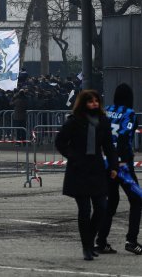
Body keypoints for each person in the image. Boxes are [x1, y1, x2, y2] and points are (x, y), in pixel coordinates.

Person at [55, 89, 118, 261]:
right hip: (79, 169)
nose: (94, 104)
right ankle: (86, 247)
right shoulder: (74, 121)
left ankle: (89, 241)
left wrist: (113, 166)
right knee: (84, 209)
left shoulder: (103, 121)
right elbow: (60, 142)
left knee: (101, 208)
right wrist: (74, 156)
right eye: (90, 102)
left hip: (96, 168)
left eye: (96, 101)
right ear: (83, 103)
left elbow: (108, 146)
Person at [97, 83, 142, 255]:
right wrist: (122, 160)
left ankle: (101, 241)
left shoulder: (106, 110)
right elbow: (124, 137)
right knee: (137, 199)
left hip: (105, 162)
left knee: (112, 201)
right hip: (122, 165)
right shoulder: (129, 114)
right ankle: (131, 240)